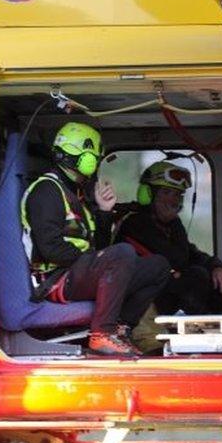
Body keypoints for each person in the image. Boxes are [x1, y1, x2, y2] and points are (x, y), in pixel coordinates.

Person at [22, 122, 169, 357]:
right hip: (56, 279)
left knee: (158, 266)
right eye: (95, 157)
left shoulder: (76, 194)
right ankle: (102, 334)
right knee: (123, 252)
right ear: (86, 157)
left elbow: (101, 250)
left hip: (78, 273)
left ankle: (121, 329)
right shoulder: (47, 191)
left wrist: (103, 212)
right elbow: (51, 249)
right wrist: (93, 260)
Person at [116, 161, 222, 315]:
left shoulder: (171, 224)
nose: (173, 200)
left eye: (177, 194)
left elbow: (192, 254)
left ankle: (207, 327)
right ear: (148, 194)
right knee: (196, 275)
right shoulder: (134, 221)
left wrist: (218, 267)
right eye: (166, 192)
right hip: (138, 293)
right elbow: (178, 259)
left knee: (215, 279)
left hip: (162, 291)